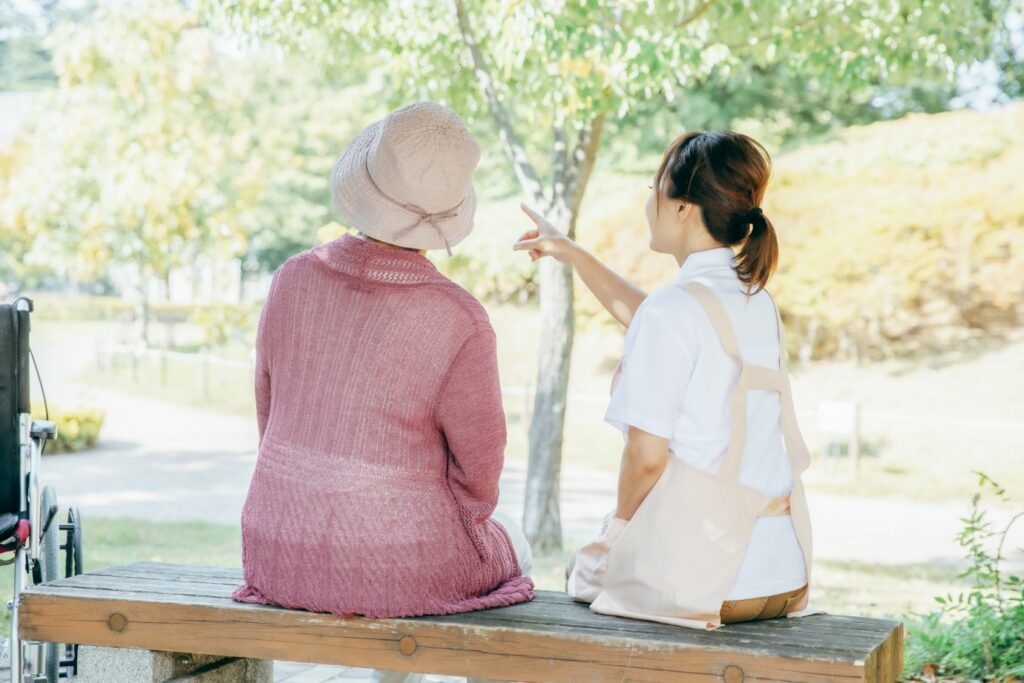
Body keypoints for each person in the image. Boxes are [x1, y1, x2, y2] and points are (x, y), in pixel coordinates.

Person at [232, 103, 534, 660]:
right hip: (403, 561)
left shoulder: (290, 279)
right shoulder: (458, 318)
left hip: (276, 548)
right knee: (516, 543)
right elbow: (481, 474)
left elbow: (269, 416)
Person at [514, 130, 817, 630]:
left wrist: (617, 536)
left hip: (710, 583)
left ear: (683, 208)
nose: (647, 202)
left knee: (579, 580)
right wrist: (570, 251)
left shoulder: (674, 311)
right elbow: (657, 316)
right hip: (781, 574)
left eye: (655, 188)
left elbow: (647, 457)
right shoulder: (755, 301)